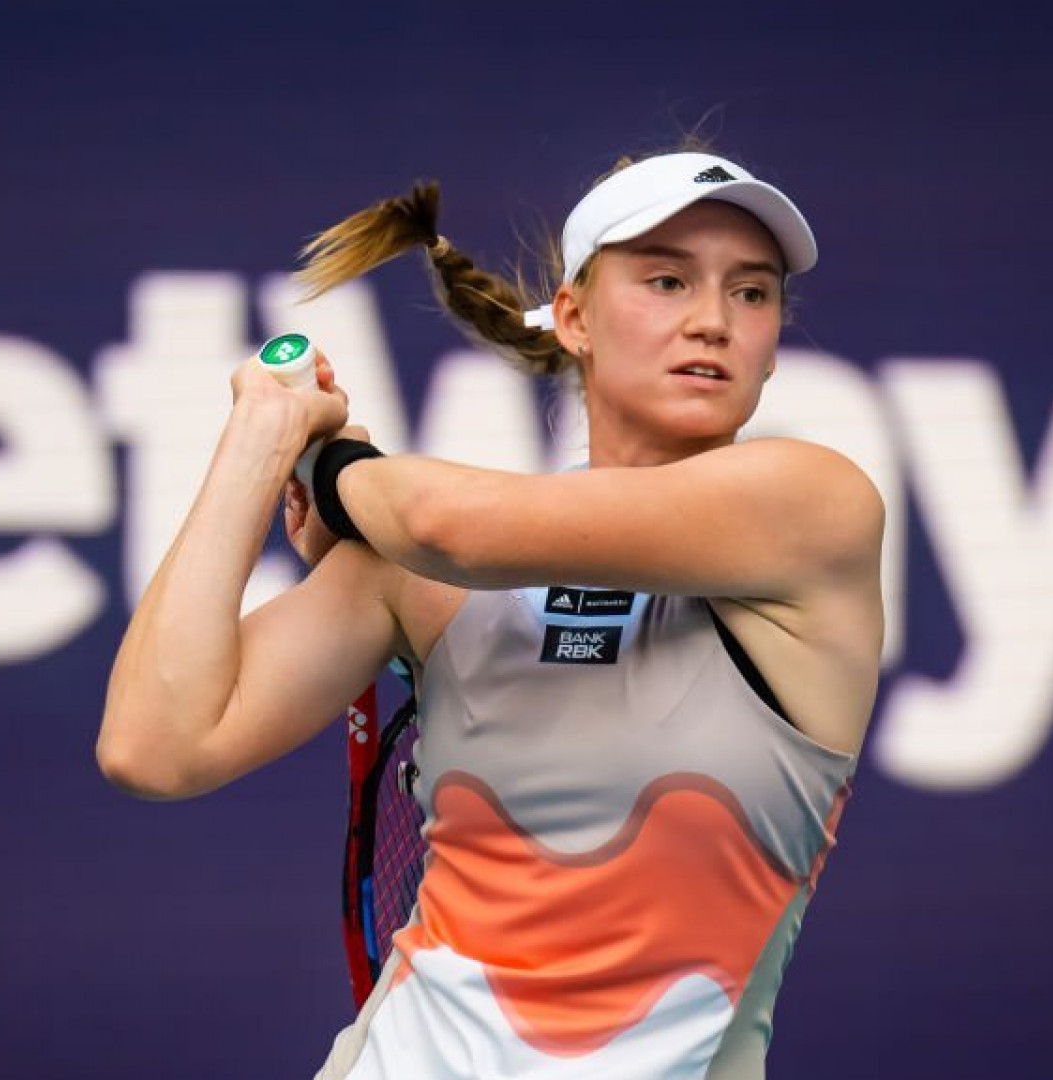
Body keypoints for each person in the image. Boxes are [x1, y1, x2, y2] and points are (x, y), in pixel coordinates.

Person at [97, 141, 884, 1079]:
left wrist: (334, 468)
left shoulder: (815, 508)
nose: (713, 320)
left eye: (751, 292)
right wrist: (260, 438)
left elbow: (447, 524)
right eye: (668, 281)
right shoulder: (418, 570)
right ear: (576, 318)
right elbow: (154, 746)